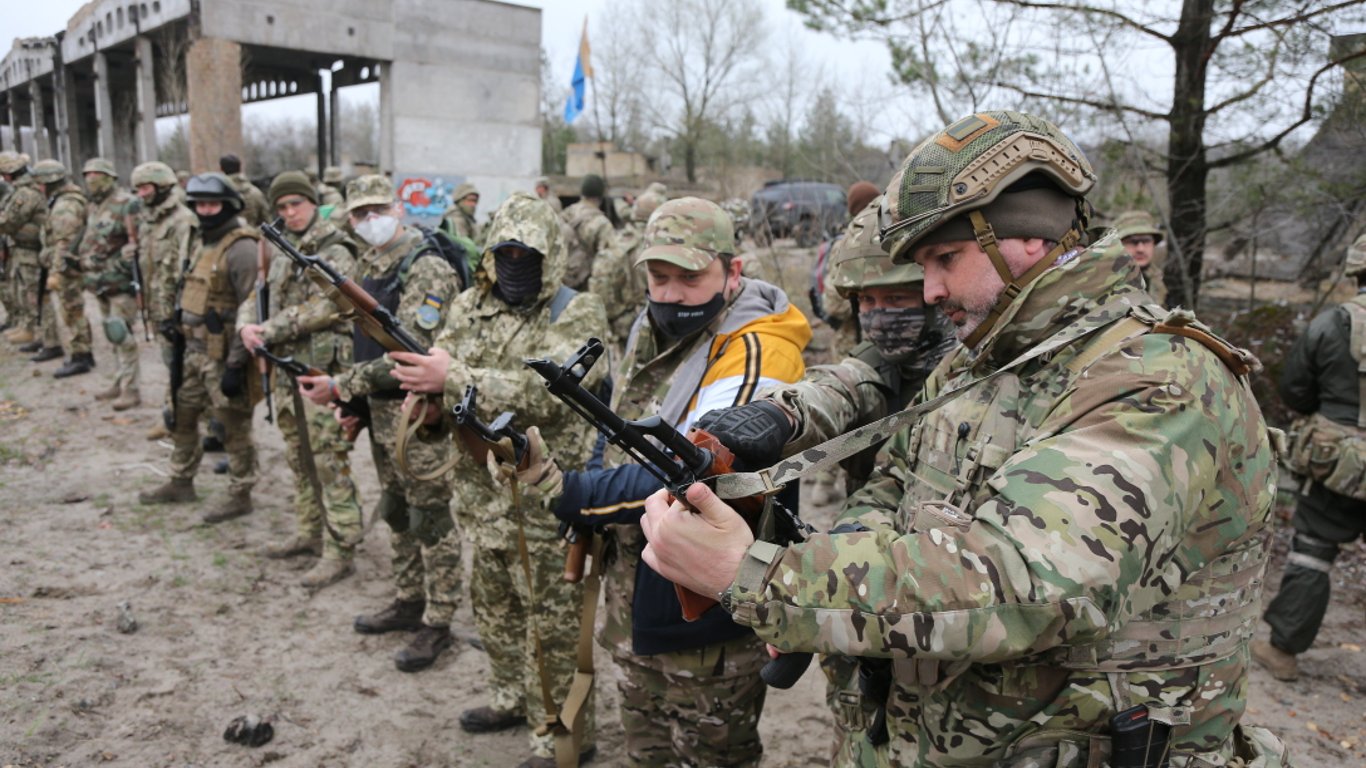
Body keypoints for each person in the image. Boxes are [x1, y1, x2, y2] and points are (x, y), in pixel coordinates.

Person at [639, 111, 1289, 767]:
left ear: (1027, 238)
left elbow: (1027, 583)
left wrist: (762, 579)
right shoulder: (983, 360)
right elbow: (893, 485)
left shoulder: (1157, 382)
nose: (930, 290)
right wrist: (825, 597)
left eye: (945, 258)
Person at [498, 197, 811, 767]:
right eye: (658, 277)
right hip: (639, 591)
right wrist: (593, 478)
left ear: (732, 270)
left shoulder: (759, 351)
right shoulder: (653, 324)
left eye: (689, 278)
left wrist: (573, 493)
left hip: (710, 621)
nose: (669, 294)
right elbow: (622, 416)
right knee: (646, 751)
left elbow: (702, 473)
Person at [693, 197, 955, 768]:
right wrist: (778, 415)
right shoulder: (883, 361)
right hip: (876, 557)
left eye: (898, 300)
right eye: (868, 302)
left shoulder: (975, 371)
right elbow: (838, 386)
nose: (881, 315)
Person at [388, 192, 608, 767]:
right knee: (495, 612)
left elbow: (549, 394)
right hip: (480, 496)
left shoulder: (575, 312)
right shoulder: (466, 308)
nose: (514, 264)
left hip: (544, 501)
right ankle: (511, 697)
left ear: (550, 255)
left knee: (553, 629)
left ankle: (562, 736)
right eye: (504, 252)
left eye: (527, 254)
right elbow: (450, 390)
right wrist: (434, 407)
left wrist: (451, 374)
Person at [297, 174, 465, 671]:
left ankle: (438, 621)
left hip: (420, 413)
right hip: (381, 408)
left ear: (396, 207)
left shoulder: (427, 268)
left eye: (377, 209)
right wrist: (355, 405)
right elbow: (364, 340)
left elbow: (412, 352)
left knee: (430, 515)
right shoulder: (370, 264)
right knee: (395, 507)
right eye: (359, 214)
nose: (370, 221)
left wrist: (340, 386)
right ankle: (409, 598)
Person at [236, 171, 364, 589]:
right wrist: (246, 326)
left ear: (312, 203)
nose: (290, 213)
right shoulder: (277, 247)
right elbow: (255, 295)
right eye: (283, 206)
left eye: (297, 204)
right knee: (298, 456)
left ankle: (340, 546)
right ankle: (309, 530)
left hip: (321, 370)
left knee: (328, 458)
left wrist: (268, 330)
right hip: (286, 369)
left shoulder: (334, 248)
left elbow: (329, 306)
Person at [1254, 234, 1366, 682]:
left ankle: (1282, 652)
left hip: (1337, 462)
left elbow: (1295, 390)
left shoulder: (1331, 323)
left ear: (1356, 270)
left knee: (1313, 553)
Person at [138, 173, 259, 523]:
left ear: (228, 205)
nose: (206, 210)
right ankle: (180, 480)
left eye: (213, 204)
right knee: (183, 415)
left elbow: (250, 306)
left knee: (233, 426)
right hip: (190, 350)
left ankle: (241, 492)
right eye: (201, 204)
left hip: (223, 355)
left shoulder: (242, 247)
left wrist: (237, 364)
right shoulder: (199, 241)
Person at [128, 161, 197, 437]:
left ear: (162, 186)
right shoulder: (148, 221)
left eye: (145, 187)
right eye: (138, 189)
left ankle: (179, 421)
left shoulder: (182, 221)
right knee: (173, 367)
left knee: (184, 369)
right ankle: (174, 417)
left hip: (176, 311)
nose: (141, 194)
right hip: (158, 308)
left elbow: (187, 270)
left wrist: (178, 312)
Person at [78, 158, 144, 411]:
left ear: (109, 177)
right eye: (88, 174)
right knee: (111, 335)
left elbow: (135, 244)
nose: (91, 179)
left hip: (121, 284)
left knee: (122, 335)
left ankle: (131, 389)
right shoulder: (94, 206)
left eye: (97, 174)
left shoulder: (127, 204)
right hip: (99, 283)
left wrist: (120, 267)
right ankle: (118, 382)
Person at [587, 190, 662, 349]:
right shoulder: (658, 245)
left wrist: (615, 316)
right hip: (654, 324)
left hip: (621, 326)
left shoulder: (616, 241)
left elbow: (600, 290)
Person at [30, 160, 87, 369]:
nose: (38, 188)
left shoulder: (65, 206)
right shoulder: (61, 201)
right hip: (65, 266)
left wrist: (56, 272)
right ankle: (81, 353)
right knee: (71, 310)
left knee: (72, 310)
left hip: (67, 268)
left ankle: (81, 355)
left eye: (40, 184)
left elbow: (64, 243)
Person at [0, 152, 46, 349]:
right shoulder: (19, 190)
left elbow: (9, 222)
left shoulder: (25, 193)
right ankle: (27, 328)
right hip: (21, 247)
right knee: (22, 290)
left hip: (31, 249)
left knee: (31, 292)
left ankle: (38, 334)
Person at [561, 174, 617, 292]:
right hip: (585, 287)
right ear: (601, 195)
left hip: (562, 283)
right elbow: (609, 263)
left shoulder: (566, 213)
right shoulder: (602, 224)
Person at [1111, 209, 1167, 305]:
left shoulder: (1157, 279)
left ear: (1154, 243)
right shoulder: (1103, 280)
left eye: (1146, 241)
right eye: (1133, 242)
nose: (1140, 249)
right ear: (1117, 245)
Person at [219, 153, 270, 227]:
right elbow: (267, 221)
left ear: (221, 169)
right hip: (253, 236)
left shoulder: (218, 195)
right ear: (240, 167)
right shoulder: (256, 192)